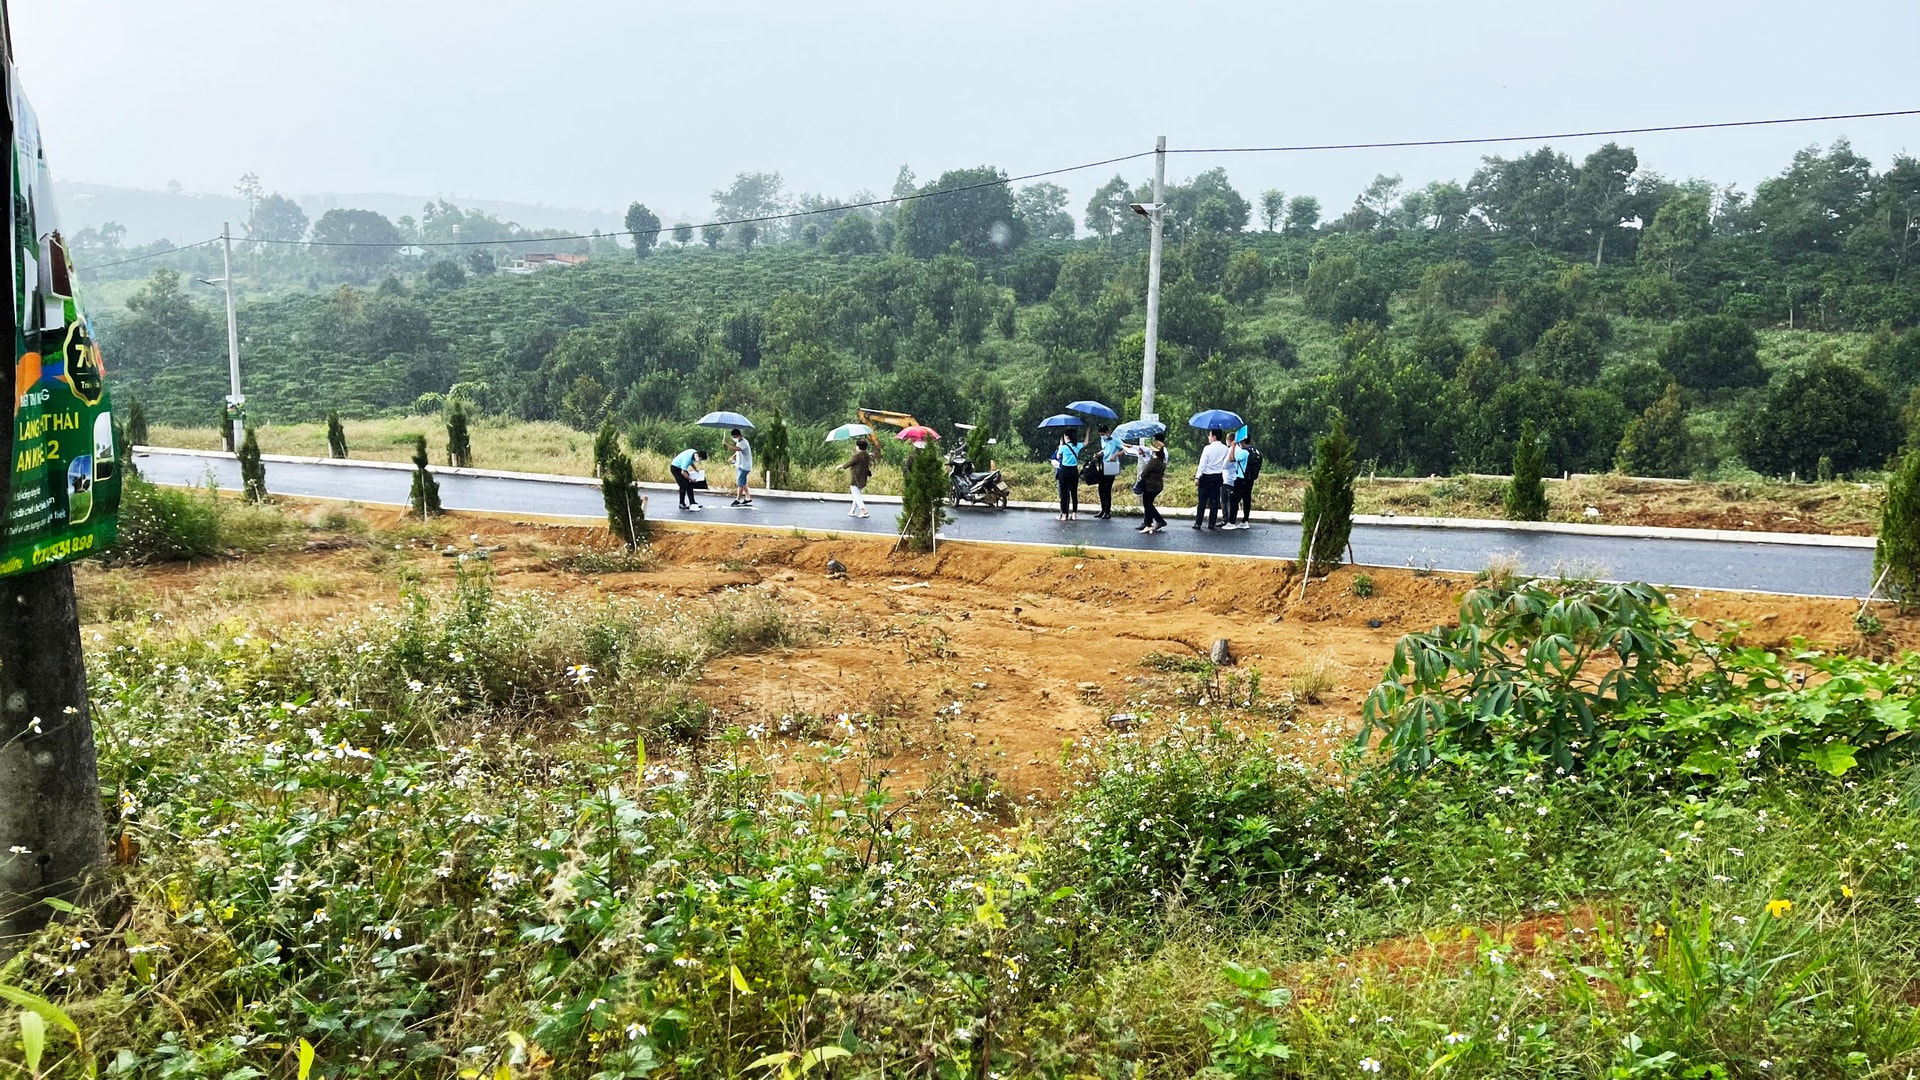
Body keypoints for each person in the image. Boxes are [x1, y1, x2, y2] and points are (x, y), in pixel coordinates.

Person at [1193, 429, 1231, 529]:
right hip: (1218, 476)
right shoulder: (1225, 449)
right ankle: (1211, 523)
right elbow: (1226, 462)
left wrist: (1197, 476)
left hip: (1206, 476)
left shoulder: (1207, 448)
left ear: (1214, 436)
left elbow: (1203, 463)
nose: (1208, 437)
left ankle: (1198, 523)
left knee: (1202, 501)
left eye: (1209, 435)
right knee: (1214, 501)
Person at [1132, 436, 1168, 533]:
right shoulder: (1162, 461)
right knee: (1148, 504)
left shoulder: (1154, 461)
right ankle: (1150, 522)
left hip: (1150, 486)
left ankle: (1154, 522)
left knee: (1147, 505)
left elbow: (1145, 473)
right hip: (1158, 485)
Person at [1093, 425, 1124, 519]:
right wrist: (1099, 453)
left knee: (1107, 489)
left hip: (1112, 466)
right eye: (1100, 435)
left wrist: (1116, 455)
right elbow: (1104, 450)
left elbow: (1125, 450)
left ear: (1107, 432)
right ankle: (1102, 509)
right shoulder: (1103, 440)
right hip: (1103, 465)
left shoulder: (1116, 440)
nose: (1102, 436)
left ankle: (1107, 511)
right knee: (1101, 488)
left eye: (1103, 434)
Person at [1228, 434, 1258, 530]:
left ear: (1242, 441)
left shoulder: (1244, 452)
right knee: (1246, 499)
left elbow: (1231, 458)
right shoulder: (1255, 451)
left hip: (1241, 478)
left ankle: (1232, 522)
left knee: (1234, 499)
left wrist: (1233, 446)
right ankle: (1245, 521)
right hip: (1250, 479)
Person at [1052, 431, 1083, 520]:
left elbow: (1058, 457)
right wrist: (1087, 431)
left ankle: (1064, 515)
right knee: (1074, 493)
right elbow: (1086, 442)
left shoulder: (1063, 447)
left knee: (1064, 493)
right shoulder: (1077, 445)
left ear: (1066, 437)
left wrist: (1061, 445)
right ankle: (1074, 514)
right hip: (1074, 470)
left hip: (1064, 470)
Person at [838, 438, 872, 518]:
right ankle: (852, 511)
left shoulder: (857, 455)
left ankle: (864, 511)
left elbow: (850, 462)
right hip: (863, 476)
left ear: (858, 446)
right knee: (857, 494)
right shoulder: (866, 455)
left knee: (856, 495)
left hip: (856, 477)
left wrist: (841, 466)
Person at [1220, 430, 1243, 527]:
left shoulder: (1230, 450)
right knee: (1233, 501)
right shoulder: (1241, 450)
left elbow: (1225, 464)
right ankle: (1232, 518)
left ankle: (1226, 519)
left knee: (1225, 500)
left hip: (1227, 478)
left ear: (1229, 440)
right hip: (1237, 478)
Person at [728, 429, 754, 506]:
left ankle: (738, 499)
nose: (734, 438)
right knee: (743, 482)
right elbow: (737, 451)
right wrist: (732, 457)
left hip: (744, 466)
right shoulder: (738, 442)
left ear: (739, 435)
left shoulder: (744, 443)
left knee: (740, 482)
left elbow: (737, 449)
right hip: (740, 464)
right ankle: (748, 498)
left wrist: (726, 444)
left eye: (735, 437)